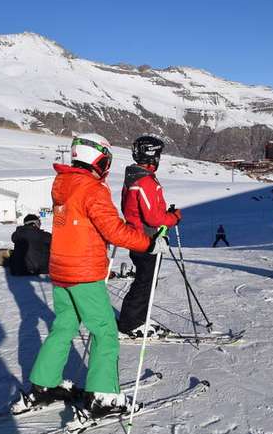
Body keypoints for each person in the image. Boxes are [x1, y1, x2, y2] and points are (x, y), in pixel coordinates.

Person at [18, 133, 168, 417]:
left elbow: (84, 223)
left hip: (61, 270)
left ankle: (44, 384)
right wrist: (148, 243)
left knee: (64, 327)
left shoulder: (63, 183)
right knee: (105, 331)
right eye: (105, 159)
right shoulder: (92, 189)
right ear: (98, 157)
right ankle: (103, 396)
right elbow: (113, 230)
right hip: (83, 271)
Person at [118, 135, 181, 338]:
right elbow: (154, 218)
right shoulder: (145, 180)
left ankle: (136, 318)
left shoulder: (132, 178)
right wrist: (173, 217)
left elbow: (128, 208)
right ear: (153, 155)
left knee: (144, 280)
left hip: (135, 236)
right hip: (147, 240)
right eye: (159, 154)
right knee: (146, 281)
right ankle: (132, 322)